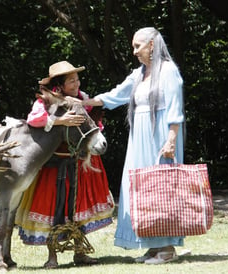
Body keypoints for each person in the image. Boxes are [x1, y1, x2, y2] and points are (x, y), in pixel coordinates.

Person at [82, 27, 185, 264]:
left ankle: (166, 247)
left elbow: (175, 109)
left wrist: (171, 140)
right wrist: (84, 102)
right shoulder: (140, 74)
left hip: (160, 136)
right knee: (139, 189)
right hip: (139, 138)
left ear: (151, 45)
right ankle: (151, 245)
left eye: (138, 46)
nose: (134, 51)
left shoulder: (168, 72)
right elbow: (116, 95)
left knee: (160, 190)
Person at [15, 61, 115, 268]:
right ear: (59, 84)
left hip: (79, 162)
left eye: (77, 79)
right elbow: (33, 120)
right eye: (71, 80)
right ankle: (52, 256)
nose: (76, 83)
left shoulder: (82, 99)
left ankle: (80, 252)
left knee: (77, 206)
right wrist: (61, 121)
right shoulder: (46, 101)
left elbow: (91, 122)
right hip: (54, 163)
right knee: (55, 208)